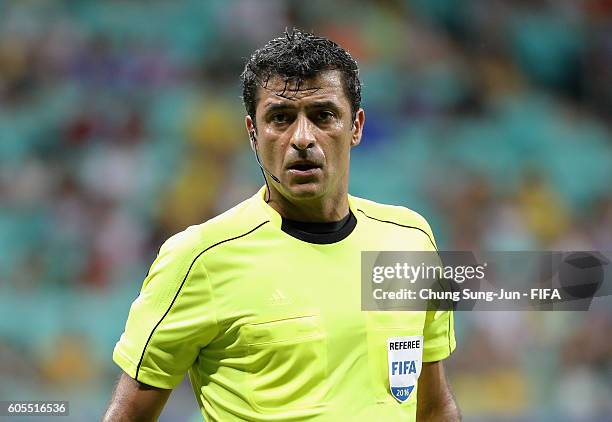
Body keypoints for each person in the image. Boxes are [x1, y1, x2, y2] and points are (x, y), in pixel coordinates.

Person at [103, 29, 460, 421]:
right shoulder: (199, 258)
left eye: (323, 115)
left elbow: (433, 406)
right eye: (281, 118)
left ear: (355, 126)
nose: (303, 138)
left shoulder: (408, 239)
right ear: (253, 134)